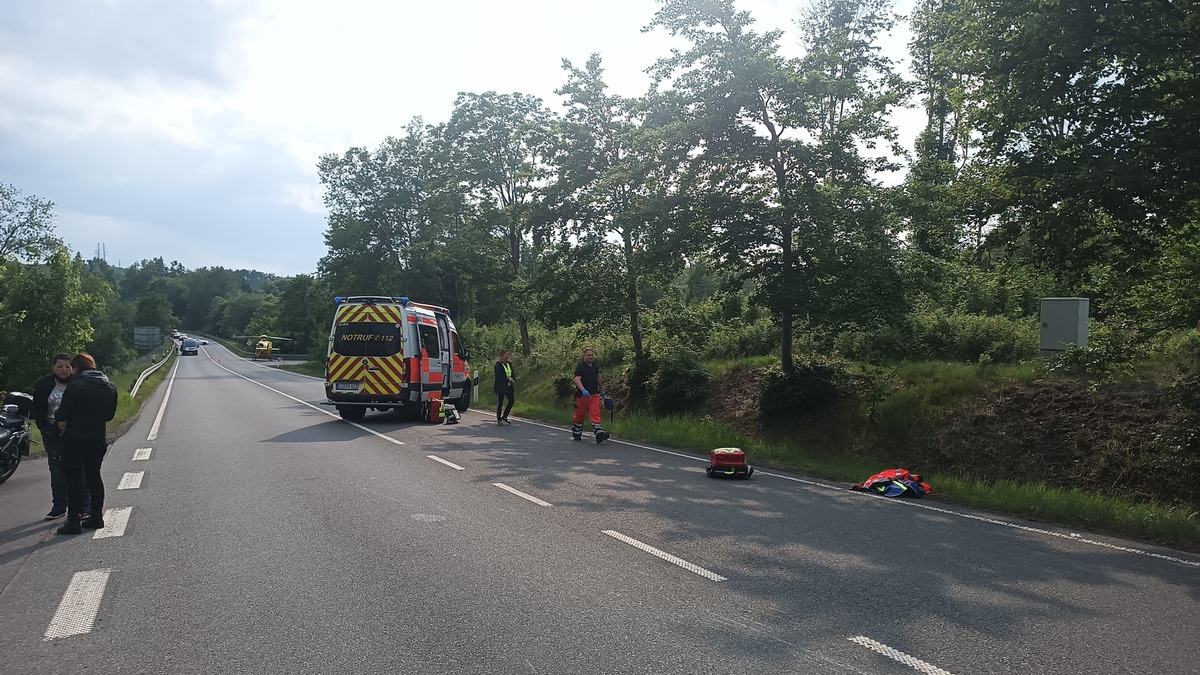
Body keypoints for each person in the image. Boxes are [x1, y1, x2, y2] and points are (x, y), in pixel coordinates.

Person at [54, 353, 118, 536]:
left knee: (74, 480)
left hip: (74, 439)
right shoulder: (110, 387)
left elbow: (61, 414)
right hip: (97, 439)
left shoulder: (76, 386)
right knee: (93, 476)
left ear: (76, 368)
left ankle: (73, 522)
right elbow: (109, 416)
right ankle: (96, 517)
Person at [30, 353, 90, 520]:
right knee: (57, 471)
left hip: (76, 433)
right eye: (60, 366)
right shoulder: (44, 384)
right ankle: (59, 506)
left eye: (67, 366)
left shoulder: (79, 383)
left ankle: (85, 506)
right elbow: (37, 408)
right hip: (52, 434)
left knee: (81, 469)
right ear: (53, 368)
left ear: (73, 368)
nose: (64, 370)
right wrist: (47, 428)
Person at [572, 348, 610, 443]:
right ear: (584, 356)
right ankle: (576, 433)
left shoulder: (595, 366)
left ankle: (599, 434)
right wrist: (583, 390)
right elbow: (577, 380)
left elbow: (598, 377)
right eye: (589, 355)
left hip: (594, 395)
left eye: (592, 355)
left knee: (595, 414)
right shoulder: (580, 367)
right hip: (582, 396)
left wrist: (602, 390)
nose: (591, 357)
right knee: (579, 416)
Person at [493, 349, 516, 425]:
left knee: (511, 401)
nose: (508, 356)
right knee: (500, 403)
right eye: (506, 354)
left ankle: (505, 416)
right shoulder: (498, 365)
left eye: (508, 355)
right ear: (502, 355)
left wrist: (513, 379)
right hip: (501, 387)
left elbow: (512, 373)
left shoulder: (509, 363)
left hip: (509, 386)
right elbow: (498, 376)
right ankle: (499, 419)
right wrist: (507, 379)